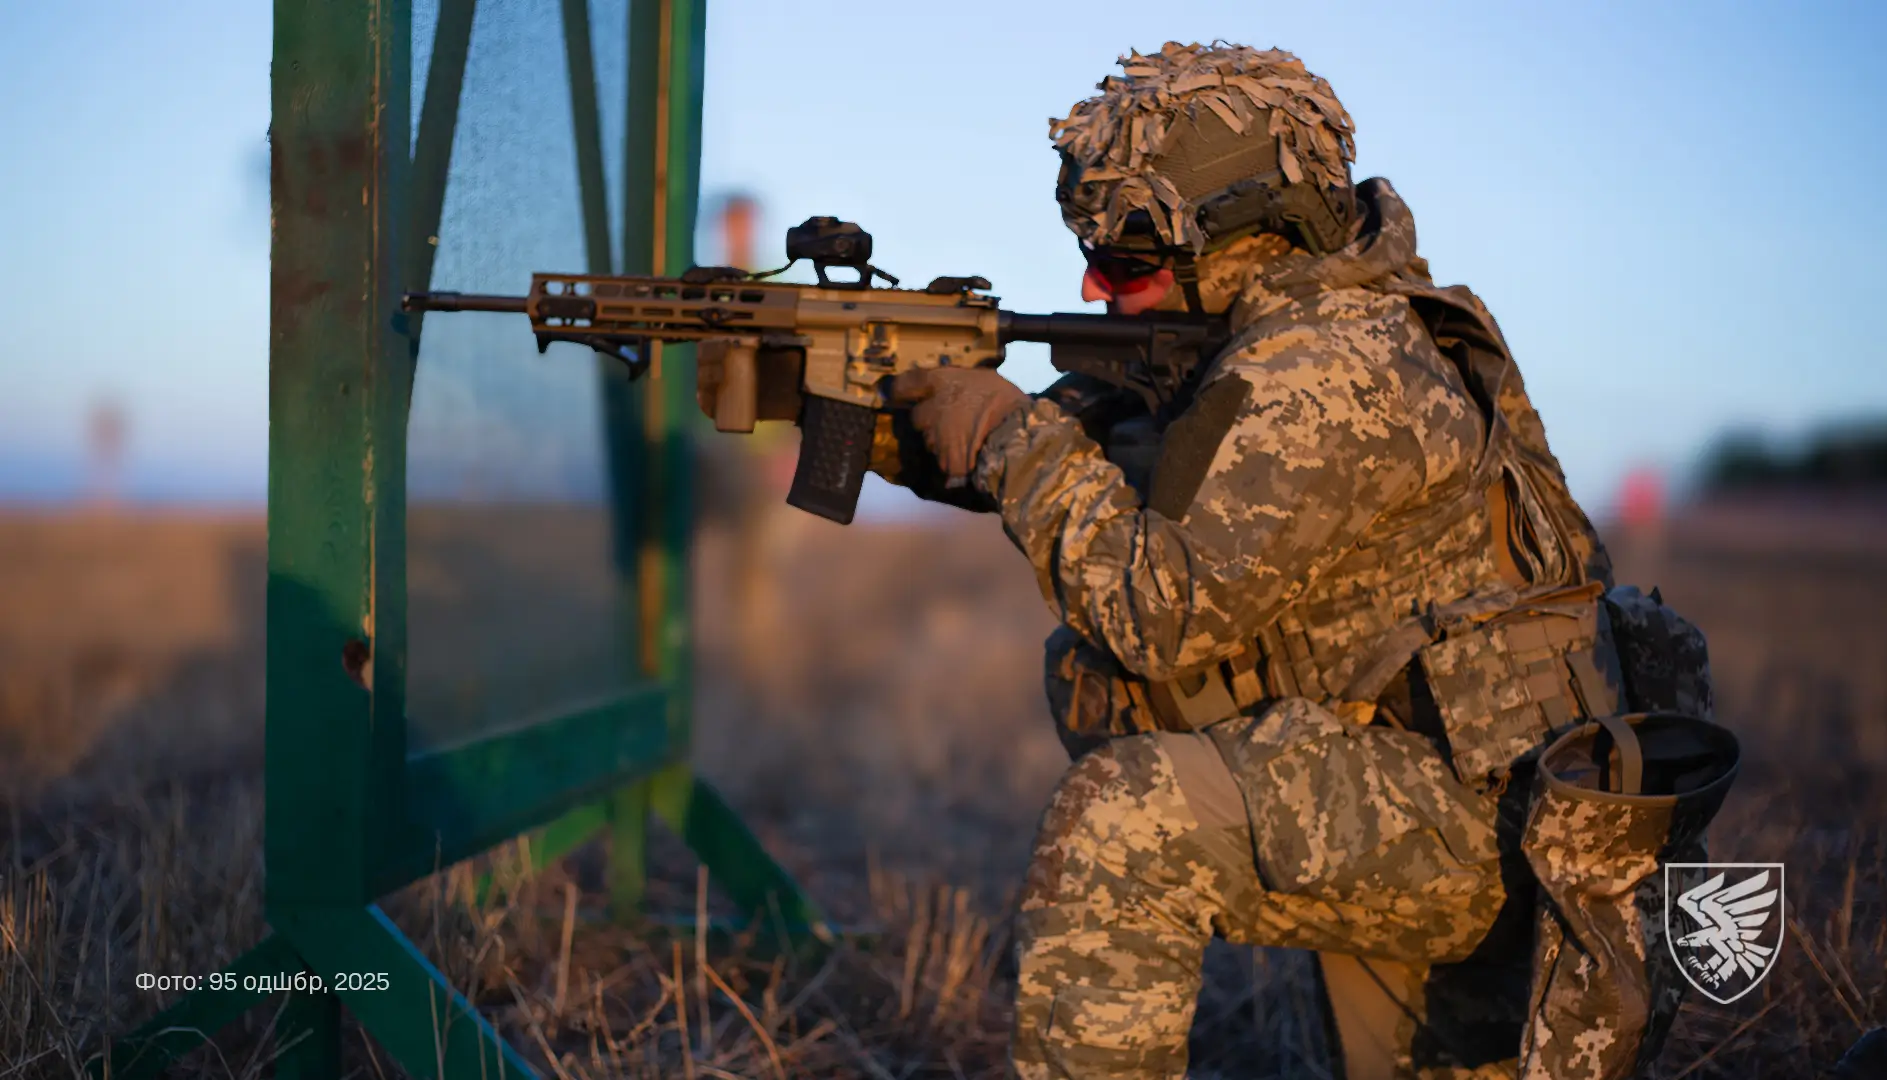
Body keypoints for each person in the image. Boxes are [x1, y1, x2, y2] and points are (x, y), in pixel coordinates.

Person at [702, 42, 1733, 1079]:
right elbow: (1072, 462)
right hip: (1457, 781)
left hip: (1514, 831)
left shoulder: (1329, 369)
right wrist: (848, 395)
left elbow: (1158, 612)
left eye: (1128, 262)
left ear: (1240, 235)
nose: (1095, 284)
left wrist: (1014, 436)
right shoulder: (1260, 340)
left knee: (1130, 821)